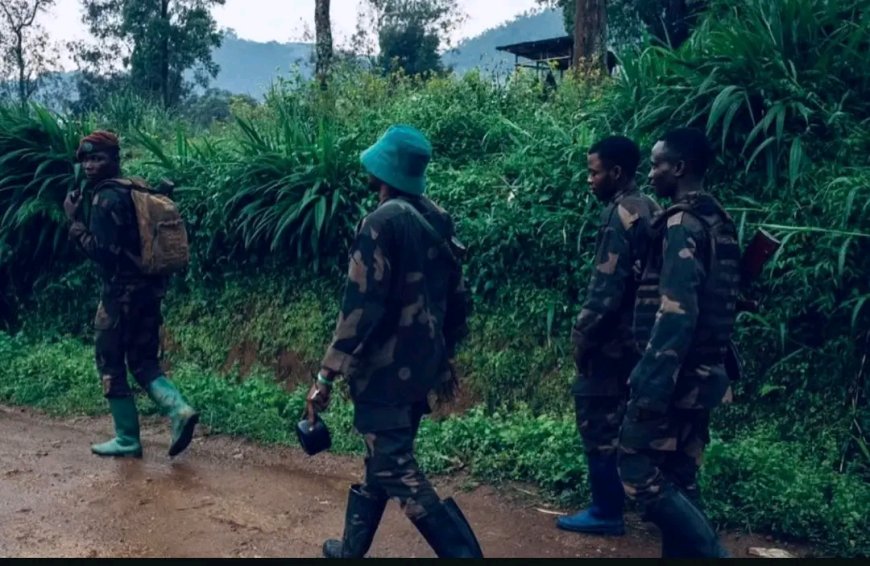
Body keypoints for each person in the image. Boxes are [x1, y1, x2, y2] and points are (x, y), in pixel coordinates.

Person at [307, 125, 482, 559]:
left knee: (394, 466)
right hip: (423, 363)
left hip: (384, 369)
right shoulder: (436, 218)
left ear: (383, 168)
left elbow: (360, 307)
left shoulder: (380, 223)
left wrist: (326, 376)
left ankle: (464, 556)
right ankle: (350, 549)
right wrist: (442, 354)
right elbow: (458, 298)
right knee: (383, 458)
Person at [618, 127, 739, 558]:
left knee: (635, 468)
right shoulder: (717, 219)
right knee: (681, 478)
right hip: (705, 374)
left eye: (657, 164)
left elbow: (676, 314)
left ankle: (714, 554)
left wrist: (650, 385)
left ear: (680, 168)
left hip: (675, 378)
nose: (651, 174)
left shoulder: (681, 224)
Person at [64, 130, 198, 459]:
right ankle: (178, 409)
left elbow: (103, 253)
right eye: (87, 160)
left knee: (109, 361)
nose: (91, 166)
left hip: (119, 295)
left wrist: (74, 223)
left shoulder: (104, 199)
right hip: (150, 291)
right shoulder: (133, 188)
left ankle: (127, 438)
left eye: (98, 158)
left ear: (114, 160)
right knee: (143, 360)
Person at [557, 136, 661, 536]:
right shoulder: (650, 208)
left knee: (597, 421)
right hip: (642, 339)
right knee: (629, 422)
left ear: (616, 173)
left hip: (613, 343)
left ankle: (606, 510)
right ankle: (641, 504)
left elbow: (606, 291)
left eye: (594, 171)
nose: (590, 180)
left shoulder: (620, 215)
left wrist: (581, 338)